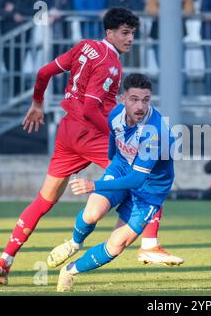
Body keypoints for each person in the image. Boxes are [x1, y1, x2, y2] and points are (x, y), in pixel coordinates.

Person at [0, 7, 181, 286]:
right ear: (110, 33)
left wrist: (38, 104)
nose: (130, 39)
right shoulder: (111, 64)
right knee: (148, 172)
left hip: (67, 132)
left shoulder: (84, 47)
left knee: (45, 200)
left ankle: (5, 259)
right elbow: (92, 108)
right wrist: (118, 135)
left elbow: (44, 72)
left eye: (133, 34)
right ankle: (149, 244)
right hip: (93, 134)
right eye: (125, 33)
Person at [52, 73, 176, 292]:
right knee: (93, 212)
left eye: (146, 100)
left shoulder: (155, 132)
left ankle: (70, 271)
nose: (140, 106)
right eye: (134, 99)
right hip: (121, 168)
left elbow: (138, 179)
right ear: (122, 99)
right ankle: (73, 243)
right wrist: (111, 166)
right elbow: (113, 139)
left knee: (117, 245)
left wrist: (95, 185)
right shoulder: (115, 114)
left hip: (150, 188)